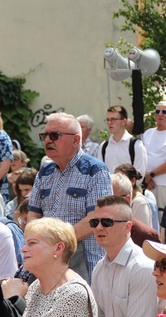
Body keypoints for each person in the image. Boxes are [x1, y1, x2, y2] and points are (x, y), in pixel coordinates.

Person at [28, 113, 113, 283]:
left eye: (54, 136)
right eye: (45, 136)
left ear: (75, 140)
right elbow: (33, 214)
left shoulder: (95, 170)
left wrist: (57, 243)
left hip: (84, 264)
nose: (47, 141)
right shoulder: (45, 172)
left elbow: (96, 218)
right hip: (48, 259)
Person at [90, 195, 158, 317]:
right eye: (94, 222)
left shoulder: (142, 267)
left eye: (106, 222)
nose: (99, 228)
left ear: (128, 227)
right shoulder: (100, 267)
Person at [100, 105, 147, 178]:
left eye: (113, 119)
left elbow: (140, 174)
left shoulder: (136, 145)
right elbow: (100, 172)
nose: (109, 123)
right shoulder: (104, 146)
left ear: (124, 121)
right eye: (108, 120)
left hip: (129, 188)